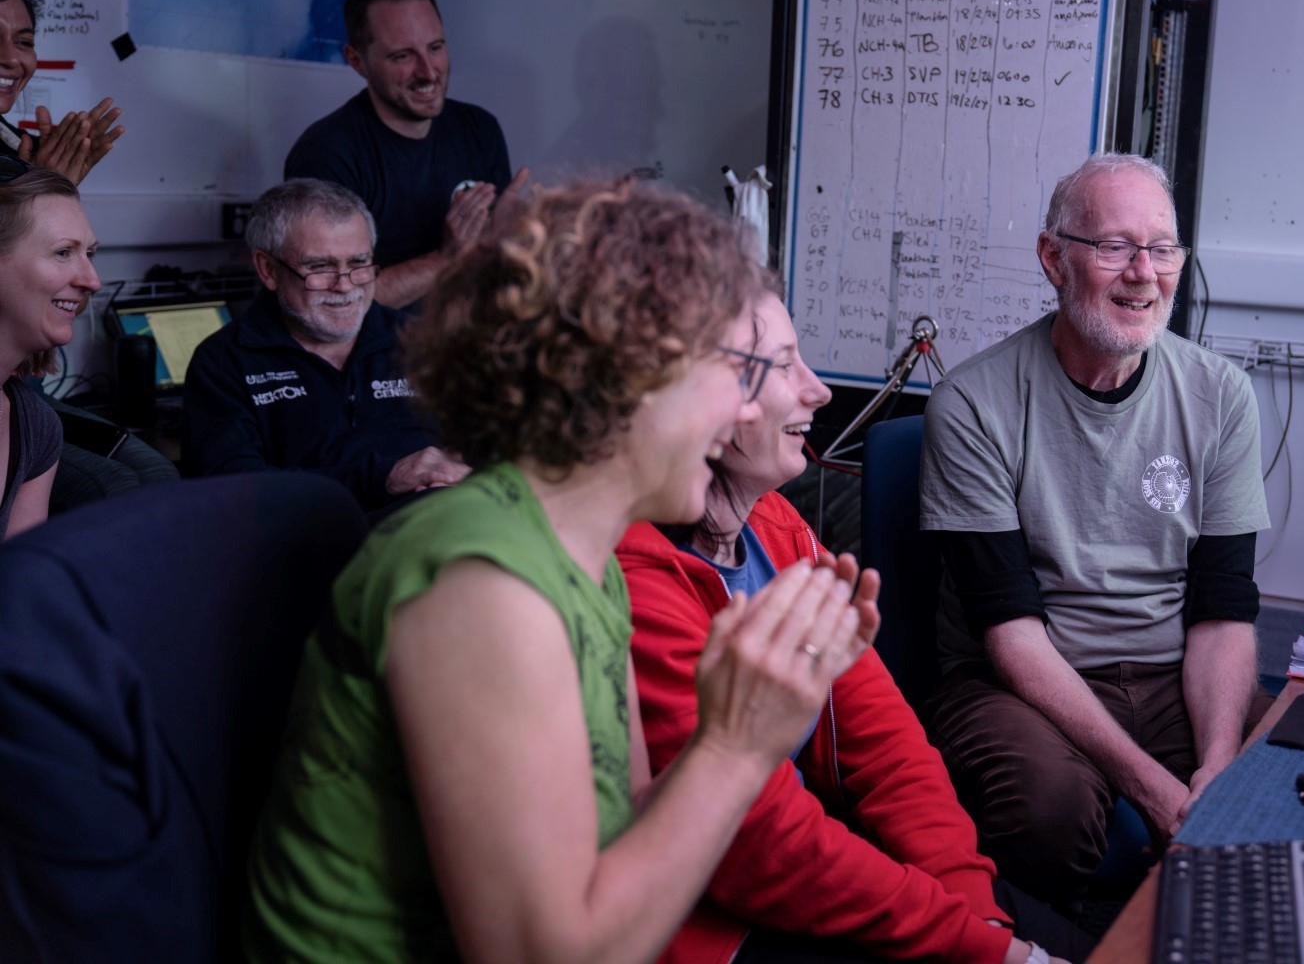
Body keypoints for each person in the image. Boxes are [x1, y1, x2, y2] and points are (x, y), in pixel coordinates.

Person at [244, 178, 879, 962]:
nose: (745, 410)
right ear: (628, 380)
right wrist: (737, 746)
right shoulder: (483, 589)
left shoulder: (581, 553)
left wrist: (747, 716)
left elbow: (630, 823)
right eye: (734, 371)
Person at [617, 287, 1092, 964]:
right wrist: (982, 951)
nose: (816, 391)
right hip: (729, 927)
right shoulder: (636, 576)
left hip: (835, 871)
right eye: (783, 365)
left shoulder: (772, 523)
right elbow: (757, 843)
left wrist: (976, 917)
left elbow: (885, 744)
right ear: (701, 398)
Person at [920, 153, 1271, 918]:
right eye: (1114, 247)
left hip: (1173, 669)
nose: (1143, 274)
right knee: (1049, 809)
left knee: (1277, 783)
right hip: (1016, 678)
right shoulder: (972, 404)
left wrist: (1215, 765)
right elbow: (1010, 635)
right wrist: (1154, 788)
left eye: (1163, 248)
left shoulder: (1221, 396)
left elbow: (1223, 608)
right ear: (1054, 259)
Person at [182, 178, 466, 512]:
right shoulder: (224, 363)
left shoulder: (423, 340)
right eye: (320, 267)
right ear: (268, 269)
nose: (344, 286)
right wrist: (383, 478)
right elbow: (233, 493)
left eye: (359, 264)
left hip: (447, 523)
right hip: (313, 548)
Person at [284, 0, 528, 308]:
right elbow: (334, 302)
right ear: (357, 62)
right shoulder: (327, 155)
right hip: (378, 358)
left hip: (466, 348)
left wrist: (522, 238)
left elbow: (494, 268)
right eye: (403, 56)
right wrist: (447, 258)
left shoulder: (479, 129)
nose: (428, 72)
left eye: (435, 48)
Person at [0, 166, 100, 539]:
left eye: (89, 253)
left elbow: (18, 586)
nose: (92, 280)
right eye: (63, 252)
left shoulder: (36, 426)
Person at [0, 0, 125, 185]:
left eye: (24, 41)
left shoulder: (18, 148)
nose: (11, 58)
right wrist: (42, 189)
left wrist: (42, 171)